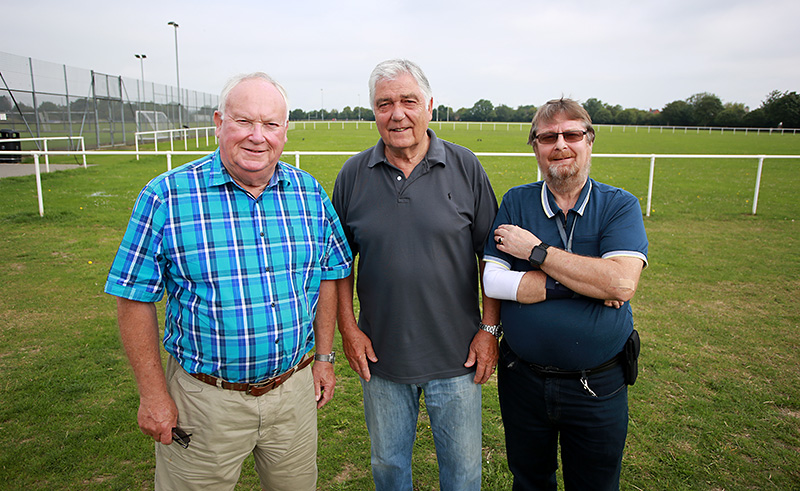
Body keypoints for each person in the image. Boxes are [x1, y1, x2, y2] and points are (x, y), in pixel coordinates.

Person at [104, 72, 352, 491]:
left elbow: (331, 274)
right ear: (219, 123)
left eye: (271, 124)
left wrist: (324, 357)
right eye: (244, 122)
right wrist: (152, 394)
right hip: (204, 401)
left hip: (292, 394)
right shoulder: (167, 195)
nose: (258, 137)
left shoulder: (310, 194)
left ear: (285, 133)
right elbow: (133, 297)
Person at [331, 59, 501, 491]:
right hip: (381, 357)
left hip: (457, 357)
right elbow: (336, 265)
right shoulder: (352, 175)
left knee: (463, 475)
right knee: (388, 470)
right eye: (384, 103)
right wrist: (349, 329)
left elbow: (492, 259)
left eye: (408, 101)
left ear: (429, 105)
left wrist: (489, 328)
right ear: (373, 111)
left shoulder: (466, 168)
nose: (397, 114)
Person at [482, 98, 648, 490]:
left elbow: (621, 284)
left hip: (599, 383)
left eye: (572, 134)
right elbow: (494, 283)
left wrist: (536, 254)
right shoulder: (516, 202)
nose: (560, 144)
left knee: (594, 484)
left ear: (589, 141)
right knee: (529, 480)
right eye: (548, 137)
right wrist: (583, 283)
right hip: (523, 379)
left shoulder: (619, 205)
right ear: (535, 147)